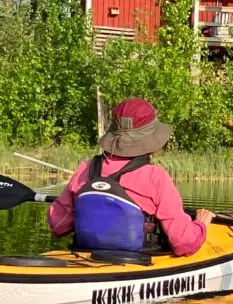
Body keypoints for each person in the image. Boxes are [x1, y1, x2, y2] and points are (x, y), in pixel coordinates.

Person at [48, 98, 213, 256]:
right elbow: (183, 243)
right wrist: (200, 224)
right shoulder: (155, 177)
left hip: (87, 255)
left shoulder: (86, 169)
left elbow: (58, 225)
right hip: (138, 259)